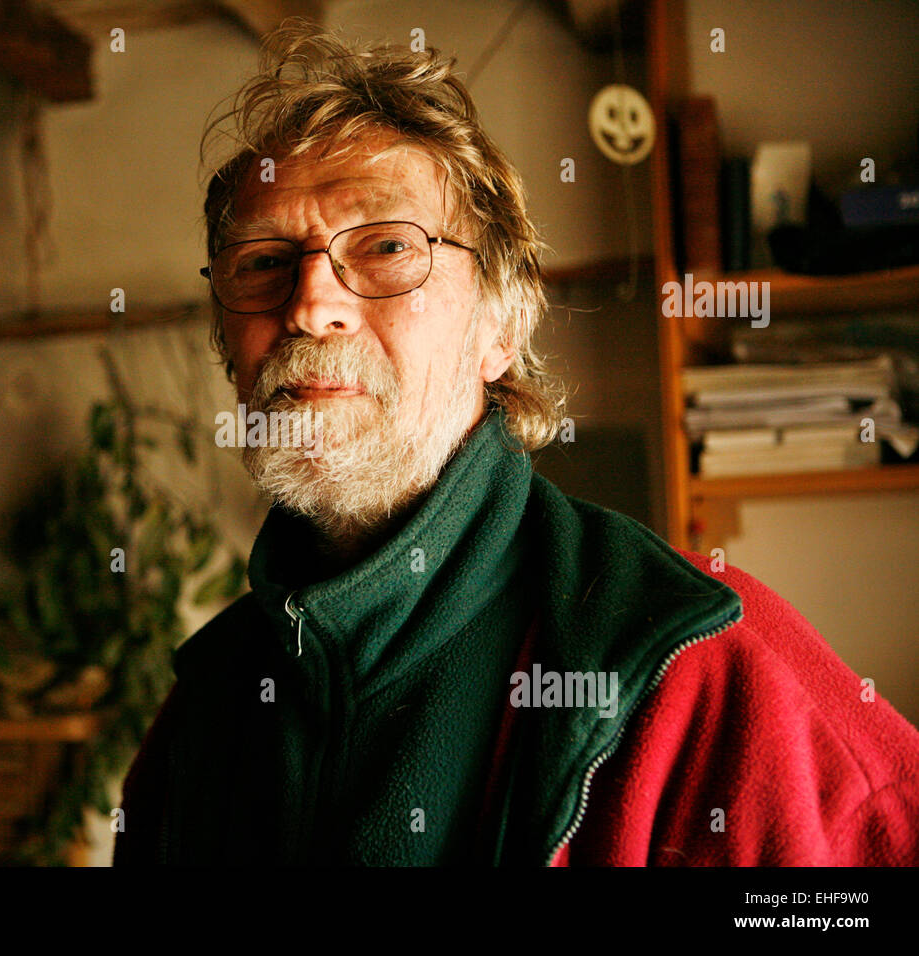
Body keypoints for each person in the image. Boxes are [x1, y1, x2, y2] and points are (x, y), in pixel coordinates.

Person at [113, 23, 919, 865]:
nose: (311, 305)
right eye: (262, 261)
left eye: (387, 246)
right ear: (224, 343)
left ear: (500, 326)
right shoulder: (201, 716)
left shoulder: (701, 672)